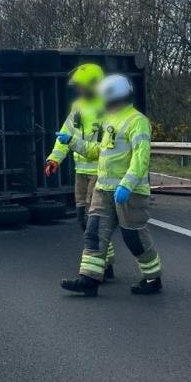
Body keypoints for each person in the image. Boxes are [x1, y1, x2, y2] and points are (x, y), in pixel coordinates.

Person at [56, 74, 162, 297]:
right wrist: (72, 142)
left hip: (130, 193)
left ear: (116, 98)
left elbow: (141, 158)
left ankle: (153, 278)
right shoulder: (109, 120)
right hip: (103, 190)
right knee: (94, 232)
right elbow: (98, 151)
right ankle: (89, 279)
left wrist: (127, 184)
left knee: (134, 238)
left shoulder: (137, 121)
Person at [45, 63, 115, 278]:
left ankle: (98, 267)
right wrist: (54, 159)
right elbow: (65, 135)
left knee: (93, 221)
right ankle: (107, 260)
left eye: (82, 86)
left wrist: (72, 142)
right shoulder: (78, 106)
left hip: (100, 173)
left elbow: (100, 149)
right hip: (81, 172)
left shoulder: (108, 109)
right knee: (82, 219)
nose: (79, 90)